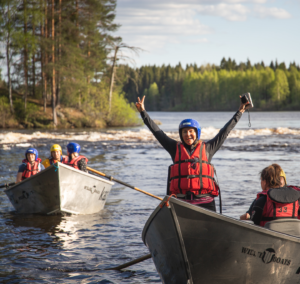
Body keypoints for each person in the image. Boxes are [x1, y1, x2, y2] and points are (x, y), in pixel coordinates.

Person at [135, 95, 250, 212]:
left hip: (205, 202)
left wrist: (240, 111)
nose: (187, 134)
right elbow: (157, 132)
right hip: (181, 202)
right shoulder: (174, 148)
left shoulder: (208, 148)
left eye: (191, 131)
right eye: (184, 131)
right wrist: (143, 112)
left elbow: (225, 131)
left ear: (197, 133)